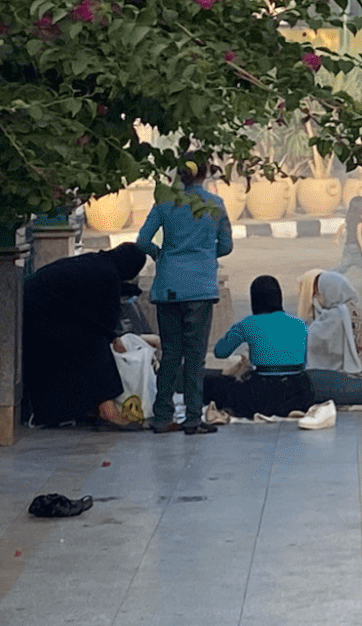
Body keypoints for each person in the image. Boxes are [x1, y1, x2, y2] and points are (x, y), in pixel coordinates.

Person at [137, 157, 233, 435]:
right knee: (195, 356)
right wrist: (203, 257)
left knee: (170, 354)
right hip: (200, 289)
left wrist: (163, 256)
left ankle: (162, 416)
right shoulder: (214, 204)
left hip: (168, 287)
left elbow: (143, 240)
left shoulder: (165, 202)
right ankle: (193, 418)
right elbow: (226, 246)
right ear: (205, 173)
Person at [21, 243, 147, 428]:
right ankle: (107, 410)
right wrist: (114, 338)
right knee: (95, 346)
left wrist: (110, 334)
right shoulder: (108, 275)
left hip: (37, 309)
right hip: (40, 315)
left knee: (90, 341)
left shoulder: (98, 263)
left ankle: (90, 407)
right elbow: (106, 322)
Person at [204, 275, 314, 419]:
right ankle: (292, 408)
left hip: (262, 393)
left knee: (211, 383)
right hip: (299, 391)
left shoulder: (248, 323)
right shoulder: (299, 324)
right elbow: (301, 361)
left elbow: (220, 352)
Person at [299, 269, 362, 407]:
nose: (317, 297)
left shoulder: (337, 315)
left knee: (305, 380)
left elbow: (310, 342)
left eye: (319, 293)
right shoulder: (353, 311)